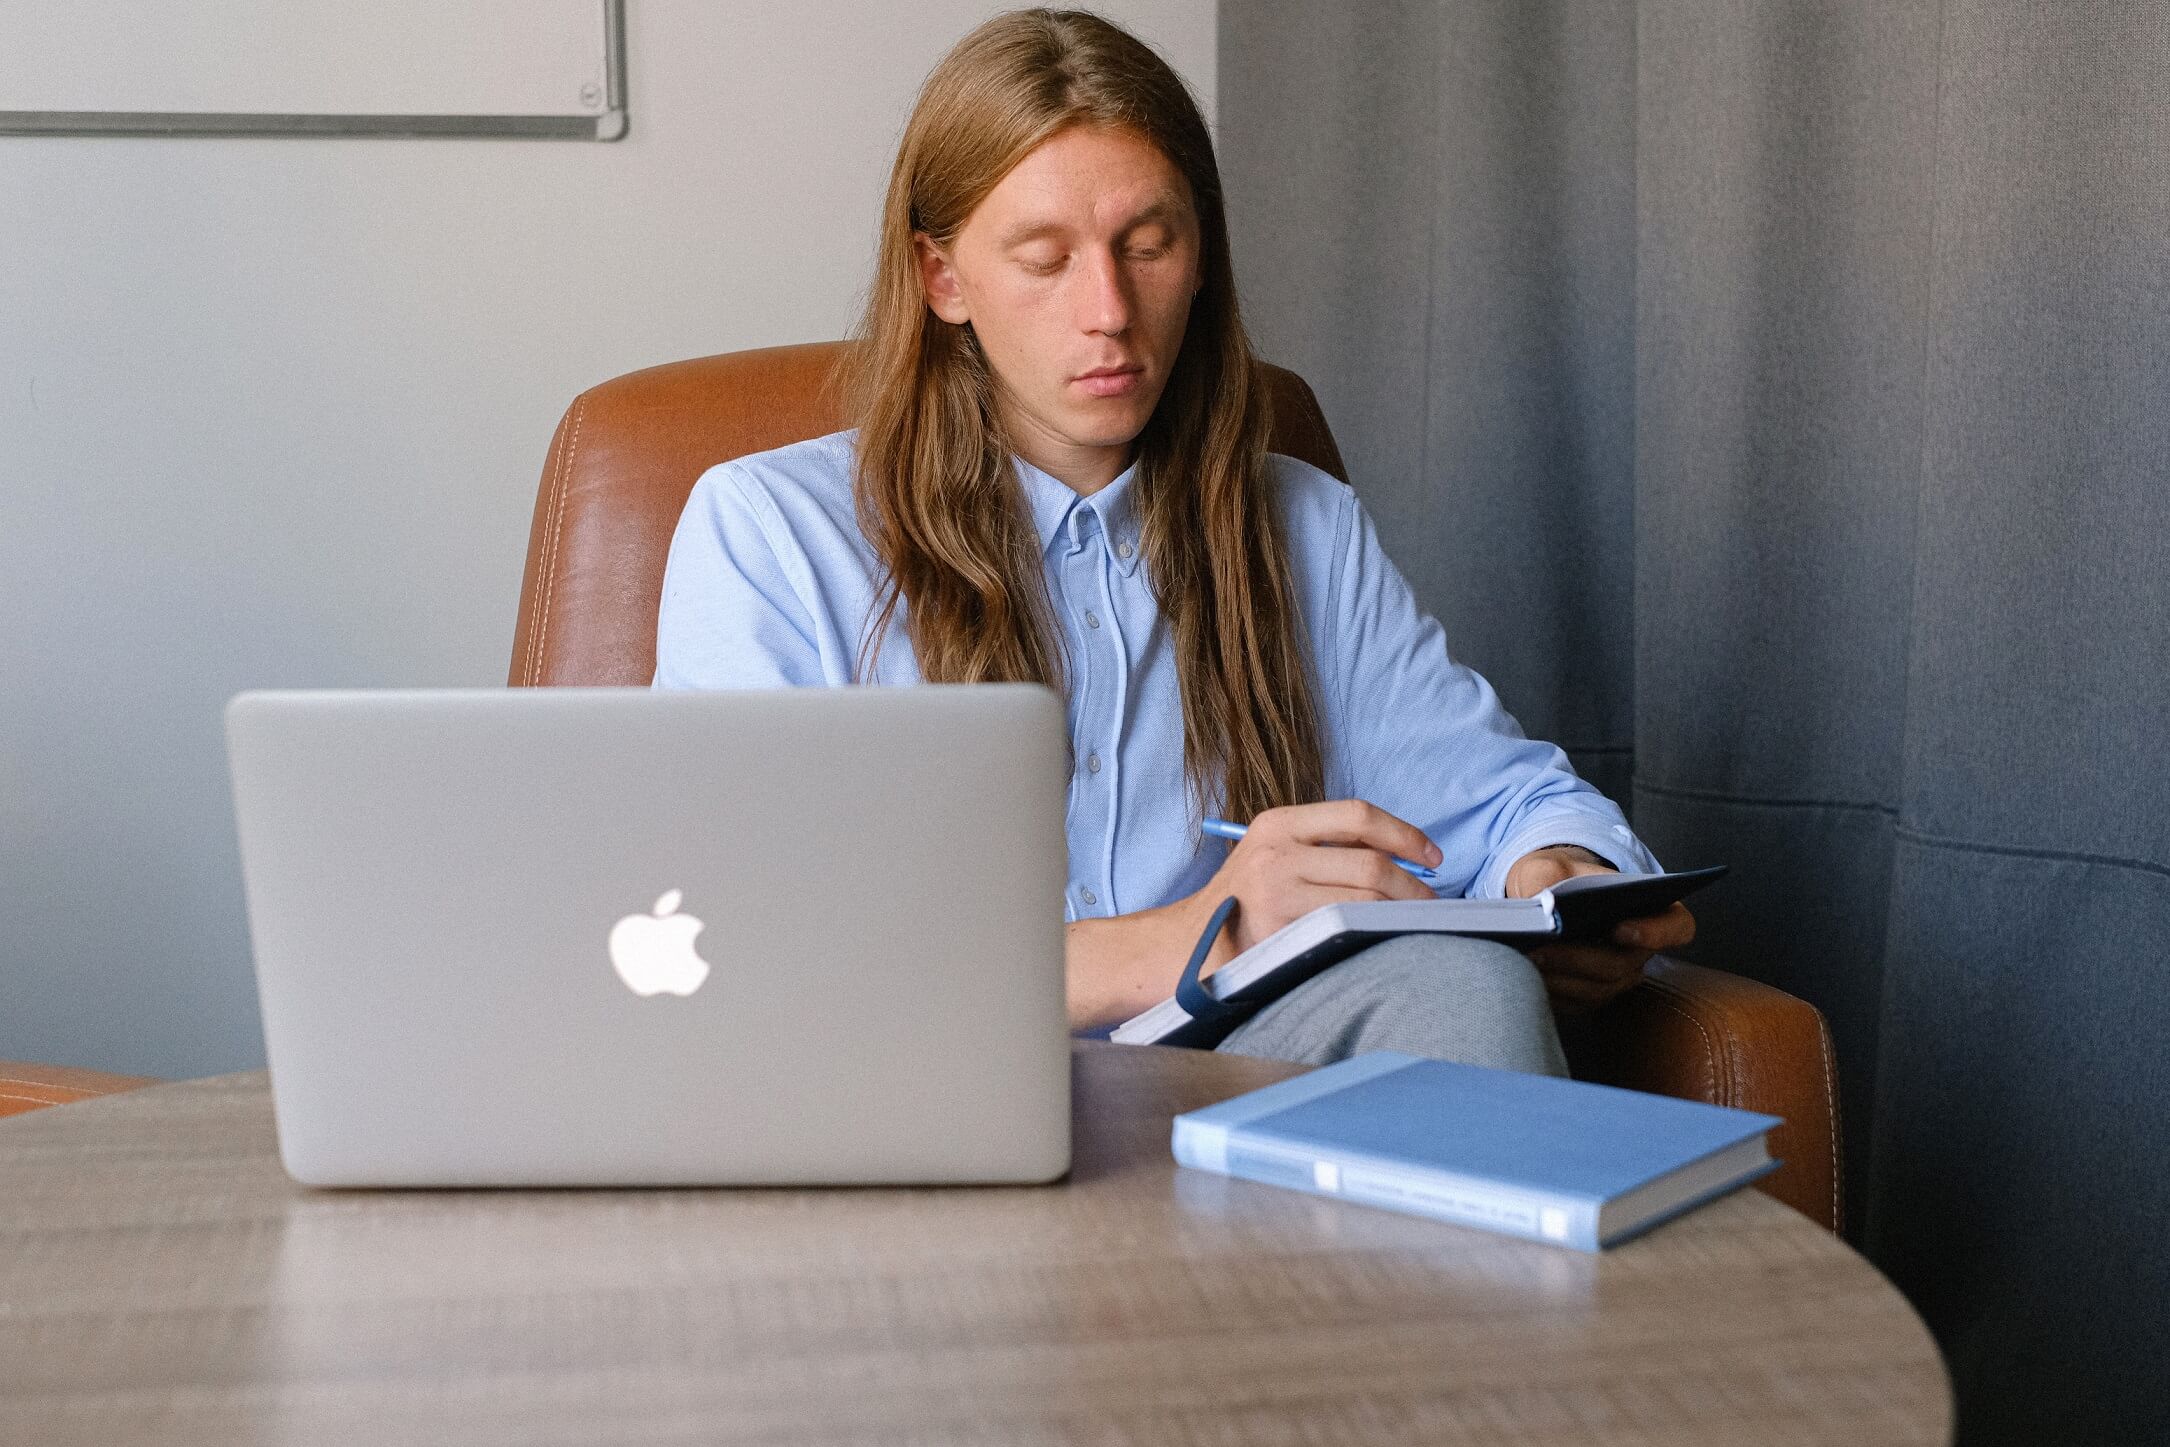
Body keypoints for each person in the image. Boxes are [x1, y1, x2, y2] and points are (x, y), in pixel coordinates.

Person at [653, 8, 1693, 1075]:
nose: (1109, 310)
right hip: (923, 1083)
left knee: (1461, 978)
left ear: (1200, 257)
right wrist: (1208, 928)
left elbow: (1510, 801)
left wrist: (1554, 879)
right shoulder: (771, 533)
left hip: (1229, 1092)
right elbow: (740, 955)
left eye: (1148, 245)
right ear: (942, 279)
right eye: (1044, 259)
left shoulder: (1301, 527)